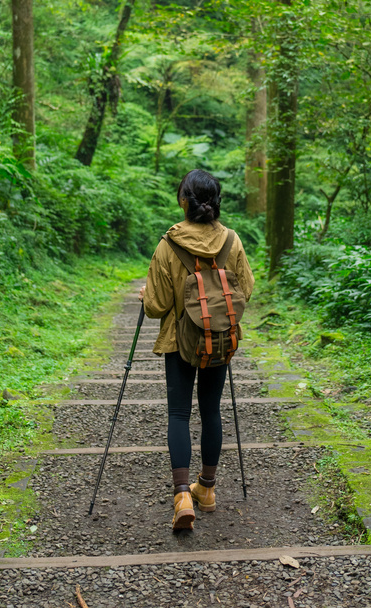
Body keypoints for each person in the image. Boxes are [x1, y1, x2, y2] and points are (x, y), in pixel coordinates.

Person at [139, 168, 255, 531]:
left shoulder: (168, 244)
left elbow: (156, 307)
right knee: (211, 411)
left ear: (183, 201)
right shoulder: (232, 241)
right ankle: (206, 490)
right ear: (216, 201)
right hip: (218, 338)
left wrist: (146, 299)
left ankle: (181, 496)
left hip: (179, 341)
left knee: (178, 414)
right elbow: (245, 291)